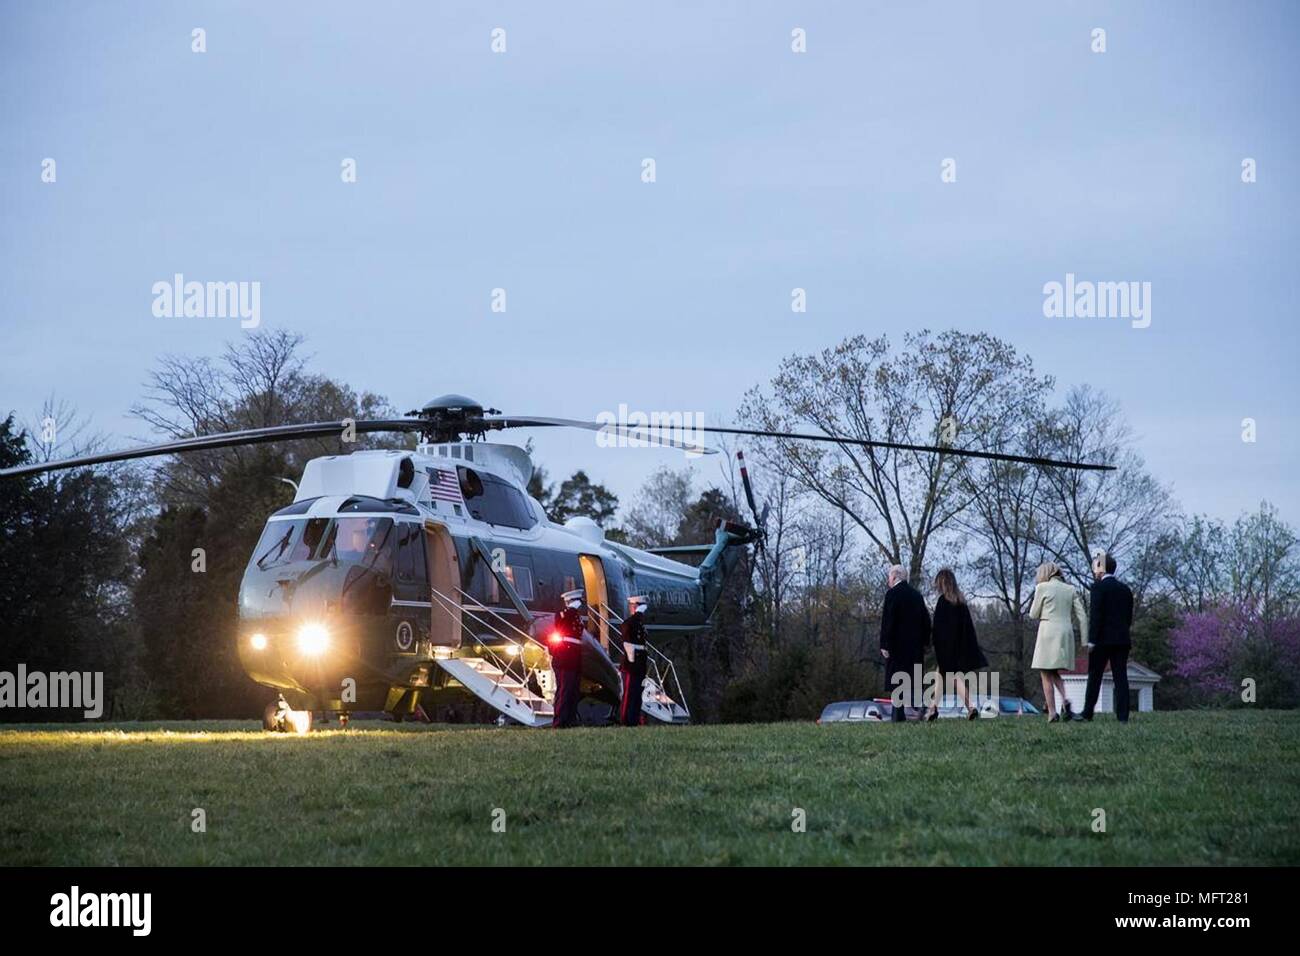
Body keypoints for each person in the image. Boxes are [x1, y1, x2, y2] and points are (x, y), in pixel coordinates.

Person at [1029, 561, 1089, 723]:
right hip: (1066, 632)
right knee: (1054, 671)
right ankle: (1065, 700)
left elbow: (1033, 614)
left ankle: (1052, 712)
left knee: (1045, 673)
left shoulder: (1042, 587)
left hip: (1048, 630)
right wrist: (1085, 641)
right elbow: (1082, 616)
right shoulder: (1070, 589)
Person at [927, 568, 987, 721]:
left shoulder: (942, 602)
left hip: (947, 649)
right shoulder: (961, 602)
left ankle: (971, 707)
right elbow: (968, 629)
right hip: (962, 647)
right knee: (940, 675)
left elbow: (939, 630)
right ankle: (933, 707)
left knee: (953, 677)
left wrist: (934, 645)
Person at [1081, 551, 1134, 723]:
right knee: (1121, 677)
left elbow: (1096, 615)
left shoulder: (1098, 587)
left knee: (1095, 675)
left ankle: (1087, 712)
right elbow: (1128, 617)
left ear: (1101, 568)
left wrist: (1091, 640)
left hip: (1102, 639)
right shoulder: (1125, 590)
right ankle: (1123, 716)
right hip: (1121, 639)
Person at [880, 564, 931, 722]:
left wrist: (885, 644)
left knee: (897, 681)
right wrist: (925, 642)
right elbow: (926, 621)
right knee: (914, 679)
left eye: (889, 576)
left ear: (895, 576)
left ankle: (898, 714)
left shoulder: (892, 594)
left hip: (897, 647)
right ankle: (918, 709)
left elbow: (888, 621)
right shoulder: (917, 595)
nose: (888, 579)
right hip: (915, 648)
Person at [549, 589, 586, 728]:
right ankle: (559, 721)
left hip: (574, 657)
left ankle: (570, 719)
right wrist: (571, 609)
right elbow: (562, 625)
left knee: (573, 690)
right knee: (564, 690)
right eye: (576, 601)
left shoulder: (576, 616)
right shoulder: (564, 614)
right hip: (564, 657)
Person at [619, 596, 649, 726]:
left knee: (637, 692)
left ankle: (634, 718)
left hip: (640, 662)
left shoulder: (638, 622)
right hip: (631, 663)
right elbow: (628, 643)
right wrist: (632, 661)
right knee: (630, 693)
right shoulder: (630, 623)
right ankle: (627, 720)